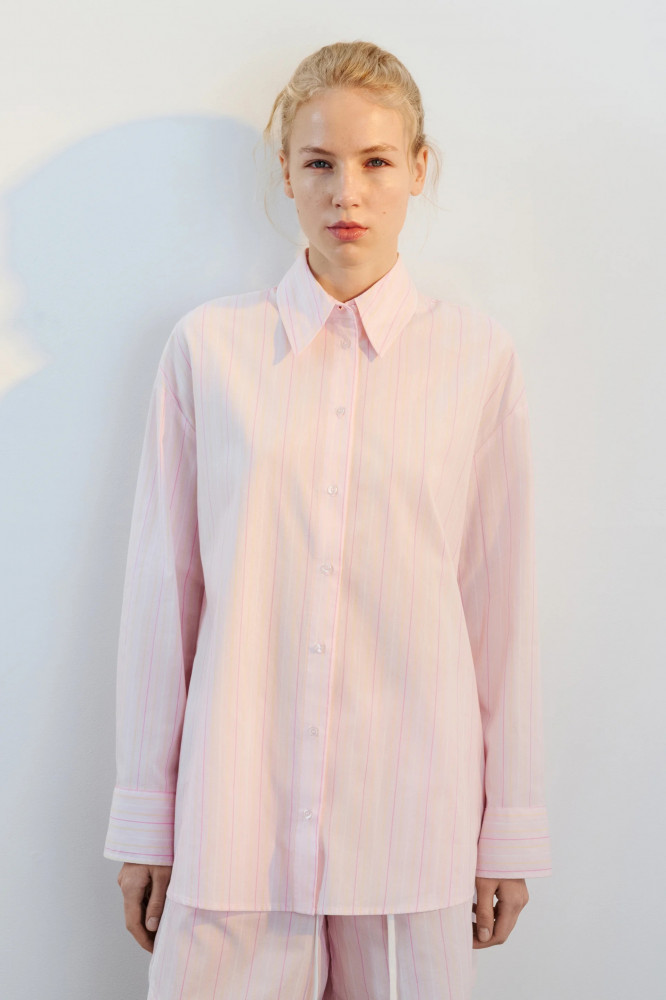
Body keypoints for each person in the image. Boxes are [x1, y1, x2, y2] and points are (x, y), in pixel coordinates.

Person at [104, 39, 552, 1000]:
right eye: (319, 162)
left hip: (411, 833)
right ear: (285, 172)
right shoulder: (208, 350)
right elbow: (163, 595)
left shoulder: (478, 360)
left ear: (420, 169)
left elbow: (498, 606)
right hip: (234, 832)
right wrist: (146, 818)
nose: (347, 191)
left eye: (376, 161)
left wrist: (508, 826)